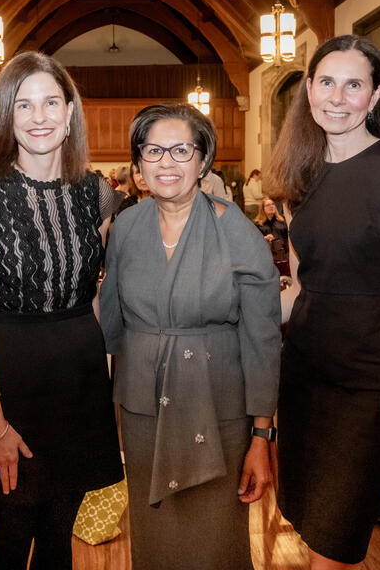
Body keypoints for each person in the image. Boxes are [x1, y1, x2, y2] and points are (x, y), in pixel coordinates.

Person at [266, 35, 380, 568]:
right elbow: (300, 288)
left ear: (376, 95)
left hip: (371, 381)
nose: (337, 97)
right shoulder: (298, 178)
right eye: (326, 82)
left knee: (336, 541)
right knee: (311, 524)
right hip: (305, 374)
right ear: (309, 91)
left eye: (353, 85)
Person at [0, 51, 122, 570]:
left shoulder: (98, 195)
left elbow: (92, 296)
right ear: (7, 115)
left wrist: (105, 384)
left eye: (51, 102)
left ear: (70, 113)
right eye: (24, 105)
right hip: (10, 382)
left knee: (58, 538)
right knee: (10, 535)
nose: (39, 116)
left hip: (78, 384)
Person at [101, 103, 280, 570]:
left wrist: (262, 434)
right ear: (138, 166)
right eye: (153, 151)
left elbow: (262, 340)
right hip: (142, 408)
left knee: (213, 539)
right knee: (153, 532)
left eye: (181, 150)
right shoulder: (125, 230)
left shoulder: (238, 233)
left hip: (216, 406)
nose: (166, 162)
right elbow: (111, 325)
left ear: (203, 161)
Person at [254, 198, 290, 275]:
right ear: (262, 209)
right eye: (268, 205)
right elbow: (254, 242)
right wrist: (264, 238)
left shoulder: (282, 221)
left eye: (273, 204)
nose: (271, 206)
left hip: (284, 256)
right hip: (267, 258)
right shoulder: (258, 224)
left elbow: (288, 238)